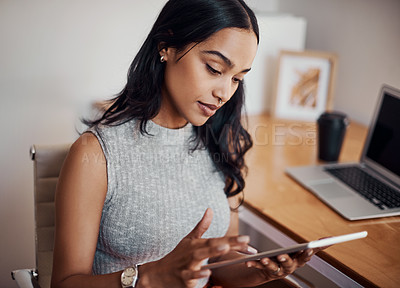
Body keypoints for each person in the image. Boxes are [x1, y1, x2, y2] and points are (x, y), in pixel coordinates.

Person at [51, 0, 323, 287]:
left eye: (237, 79)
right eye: (214, 69)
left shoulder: (220, 143)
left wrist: (260, 271)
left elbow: (218, 261)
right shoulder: (96, 154)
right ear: (166, 46)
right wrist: (149, 277)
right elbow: (64, 283)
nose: (224, 93)